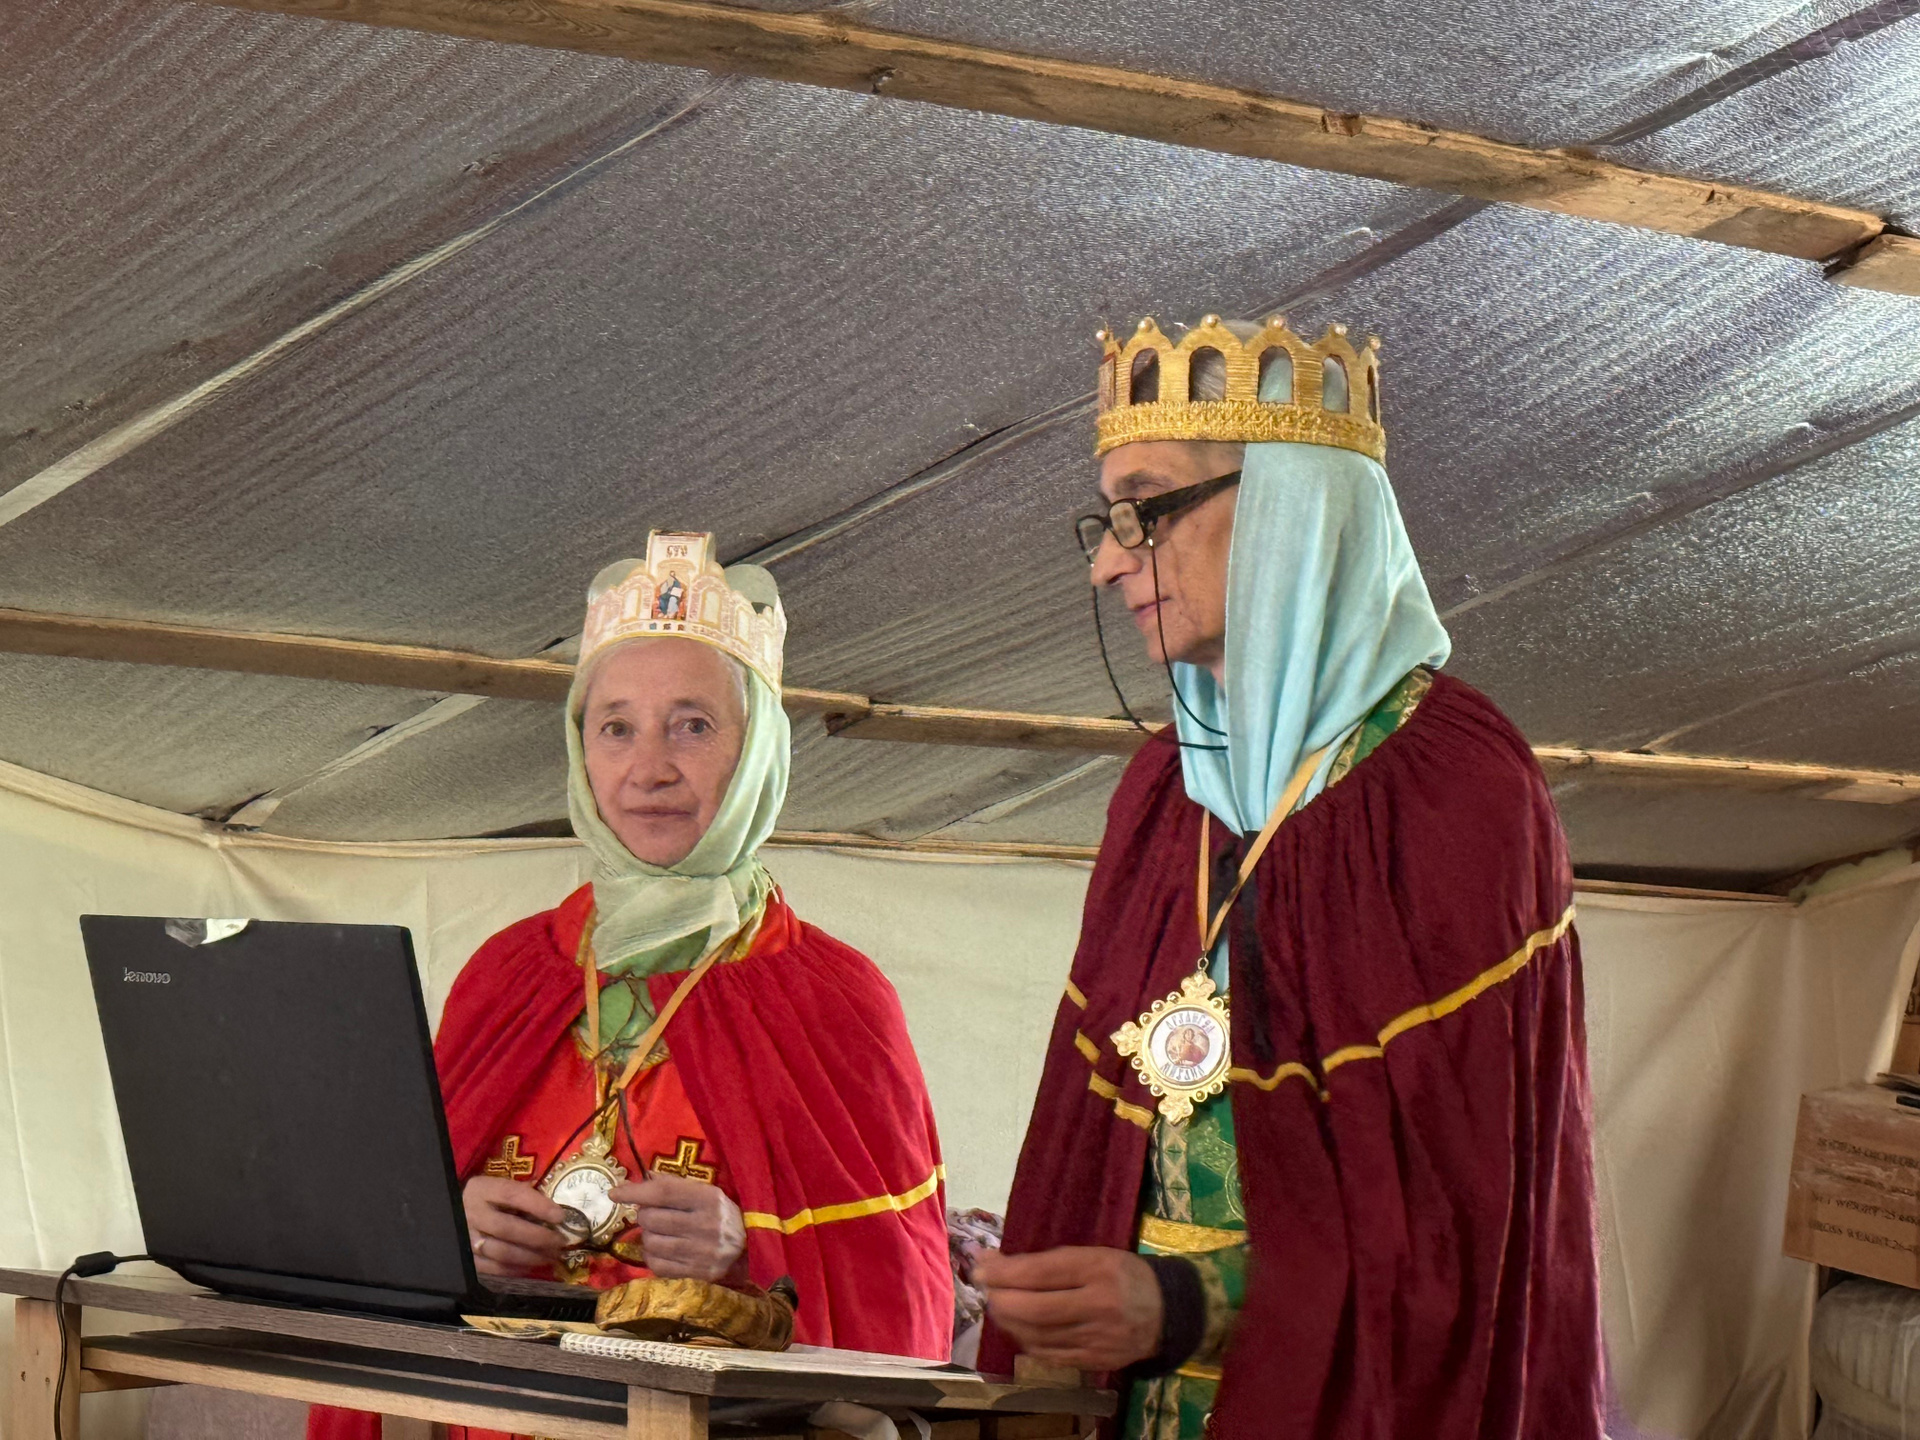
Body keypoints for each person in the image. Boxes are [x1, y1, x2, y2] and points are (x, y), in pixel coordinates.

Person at [974, 317, 1603, 1438]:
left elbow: (1464, 1226)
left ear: (1288, 507)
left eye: (1145, 510)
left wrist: (1190, 1303)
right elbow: (1091, 1133)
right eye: (1107, 521)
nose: (1108, 562)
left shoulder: (1453, 786)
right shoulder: (1163, 790)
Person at [311, 531, 953, 1440]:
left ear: (757, 751)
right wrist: (450, 1230)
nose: (649, 769)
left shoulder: (836, 996)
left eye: (692, 725)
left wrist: (745, 1247)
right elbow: (381, 1236)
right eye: (616, 727)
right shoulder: (510, 971)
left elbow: (896, 1292)